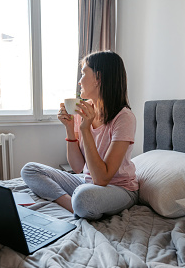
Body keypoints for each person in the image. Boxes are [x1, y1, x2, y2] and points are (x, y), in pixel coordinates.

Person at [20, 50, 138, 220]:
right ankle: (71, 204)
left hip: (120, 189)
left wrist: (85, 129)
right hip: (87, 182)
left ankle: (77, 203)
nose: (79, 81)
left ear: (98, 77)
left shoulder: (124, 118)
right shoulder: (84, 110)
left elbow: (102, 179)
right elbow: (77, 167)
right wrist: (70, 128)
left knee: (84, 198)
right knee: (30, 170)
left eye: (83, 74)